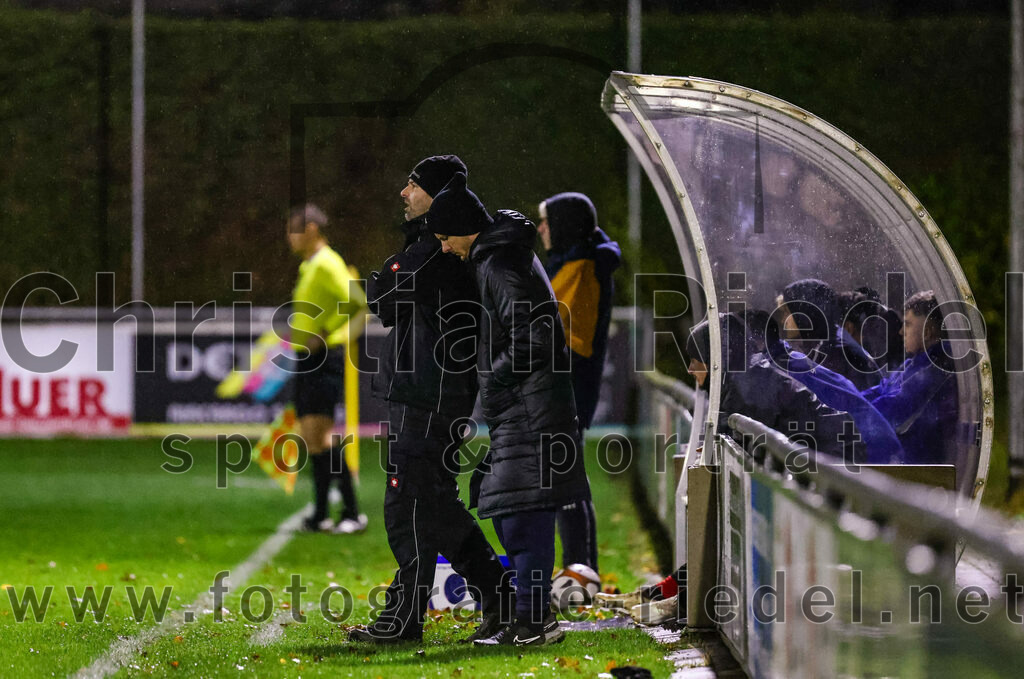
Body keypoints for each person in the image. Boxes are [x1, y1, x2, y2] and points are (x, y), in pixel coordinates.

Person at [348, 155, 511, 644]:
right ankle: (501, 597)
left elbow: (381, 295)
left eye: (413, 184)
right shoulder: (436, 249)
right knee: (434, 505)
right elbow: (389, 300)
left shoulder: (437, 251)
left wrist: (401, 265)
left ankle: (405, 619)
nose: (404, 192)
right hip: (430, 393)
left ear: (437, 196)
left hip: (430, 396)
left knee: (410, 506)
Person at [428, 172, 590, 646]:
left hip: (531, 411)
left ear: (465, 229)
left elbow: (536, 337)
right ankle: (529, 617)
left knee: (522, 514)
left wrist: (492, 379)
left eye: (446, 237)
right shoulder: (499, 255)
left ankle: (534, 622)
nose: (444, 247)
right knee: (506, 507)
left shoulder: (499, 263)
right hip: (525, 409)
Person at [537, 192, 621, 577]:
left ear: (564, 225)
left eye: (547, 221)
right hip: (567, 387)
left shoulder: (582, 266)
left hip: (566, 389)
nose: (541, 229)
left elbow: (568, 338)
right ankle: (582, 568)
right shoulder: (576, 261)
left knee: (562, 480)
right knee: (567, 478)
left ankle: (580, 568)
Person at [286, 204, 366, 533]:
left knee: (321, 437)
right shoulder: (310, 265)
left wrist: (329, 334)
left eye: (293, 230)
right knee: (312, 439)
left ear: (312, 230)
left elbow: (359, 303)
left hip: (323, 359)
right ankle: (320, 514)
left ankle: (352, 513)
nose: (289, 237)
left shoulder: (327, 263)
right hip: (307, 360)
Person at [863, 291, 958, 465]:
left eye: (907, 324)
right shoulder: (914, 363)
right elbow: (880, 390)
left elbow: (894, 410)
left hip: (916, 465)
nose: (901, 332)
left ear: (927, 332)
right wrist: (844, 402)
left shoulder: (937, 368)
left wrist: (849, 416)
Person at [779, 278, 881, 390]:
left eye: (787, 313)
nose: (783, 321)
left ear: (806, 314)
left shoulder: (837, 354)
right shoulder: (827, 345)